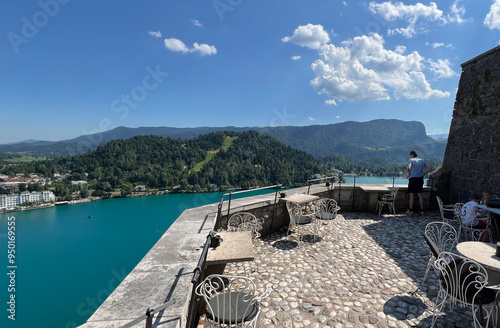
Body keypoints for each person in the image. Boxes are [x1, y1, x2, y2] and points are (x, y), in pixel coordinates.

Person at [406, 150, 432, 216]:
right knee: (420, 195)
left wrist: (409, 174)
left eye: (410, 155)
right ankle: (422, 210)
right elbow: (429, 168)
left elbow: (408, 168)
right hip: (420, 179)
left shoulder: (411, 160)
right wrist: (424, 173)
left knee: (411, 195)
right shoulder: (422, 161)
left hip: (413, 179)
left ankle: (411, 211)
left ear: (412, 155)